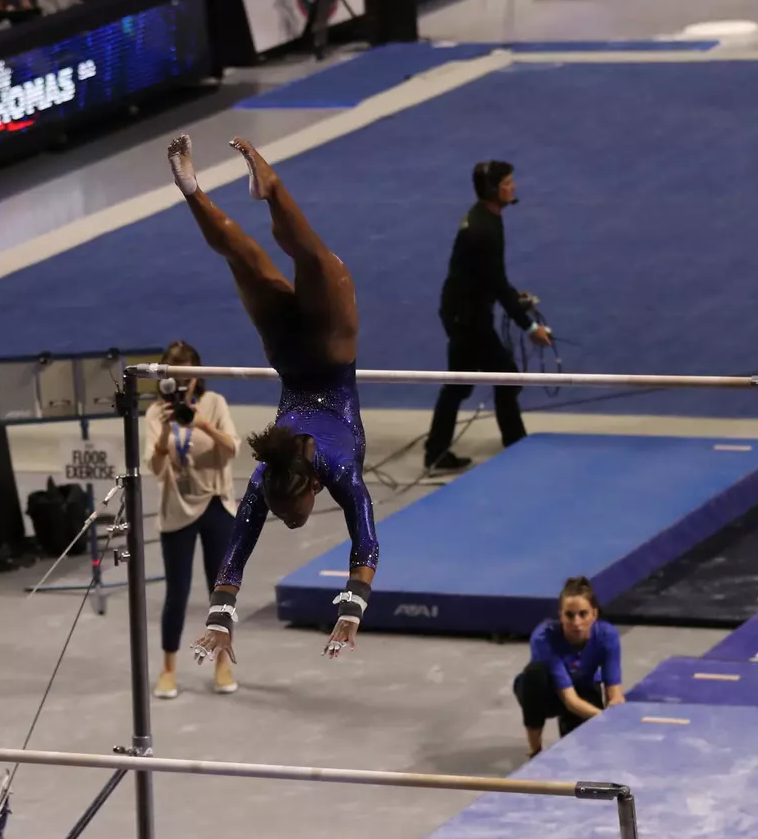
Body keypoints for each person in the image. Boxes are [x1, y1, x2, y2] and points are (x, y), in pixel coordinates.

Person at [168, 134, 378, 665]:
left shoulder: (330, 468)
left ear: (311, 484)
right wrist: (221, 619)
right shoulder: (269, 474)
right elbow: (237, 555)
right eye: (290, 517)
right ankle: (195, 186)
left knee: (312, 260)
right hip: (288, 353)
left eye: (290, 513)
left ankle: (251, 186)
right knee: (252, 260)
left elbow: (366, 543)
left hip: (329, 355)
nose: (289, 520)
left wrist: (352, 611)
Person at [423, 161, 553, 473]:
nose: (514, 187)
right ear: (494, 189)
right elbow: (494, 280)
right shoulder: (485, 230)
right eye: (509, 182)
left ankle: (441, 451)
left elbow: (491, 276)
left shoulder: (486, 218)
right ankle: (509, 440)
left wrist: (514, 298)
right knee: (494, 378)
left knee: (472, 382)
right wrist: (531, 326)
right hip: (467, 319)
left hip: (465, 312)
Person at [145, 341, 240, 699]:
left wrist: (203, 425)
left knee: (221, 592)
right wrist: (168, 432)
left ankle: (222, 662)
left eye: (188, 379)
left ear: (198, 376)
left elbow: (231, 449)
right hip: (177, 508)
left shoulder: (214, 404)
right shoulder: (155, 414)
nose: (183, 387)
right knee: (177, 593)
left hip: (216, 505)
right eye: (176, 380)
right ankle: (168, 667)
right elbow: (155, 469)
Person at [513, 576, 625, 756]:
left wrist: (615, 712)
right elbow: (569, 700)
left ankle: (569, 727)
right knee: (534, 674)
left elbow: (614, 693)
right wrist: (605, 719)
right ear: (560, 615)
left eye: (583, 614)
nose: (576, 622)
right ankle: (535, 751)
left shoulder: (607, 635)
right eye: (569, 615)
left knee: (584, 753)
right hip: (548, 694)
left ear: (594, 614)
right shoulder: (544, 637)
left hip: (583, 689)